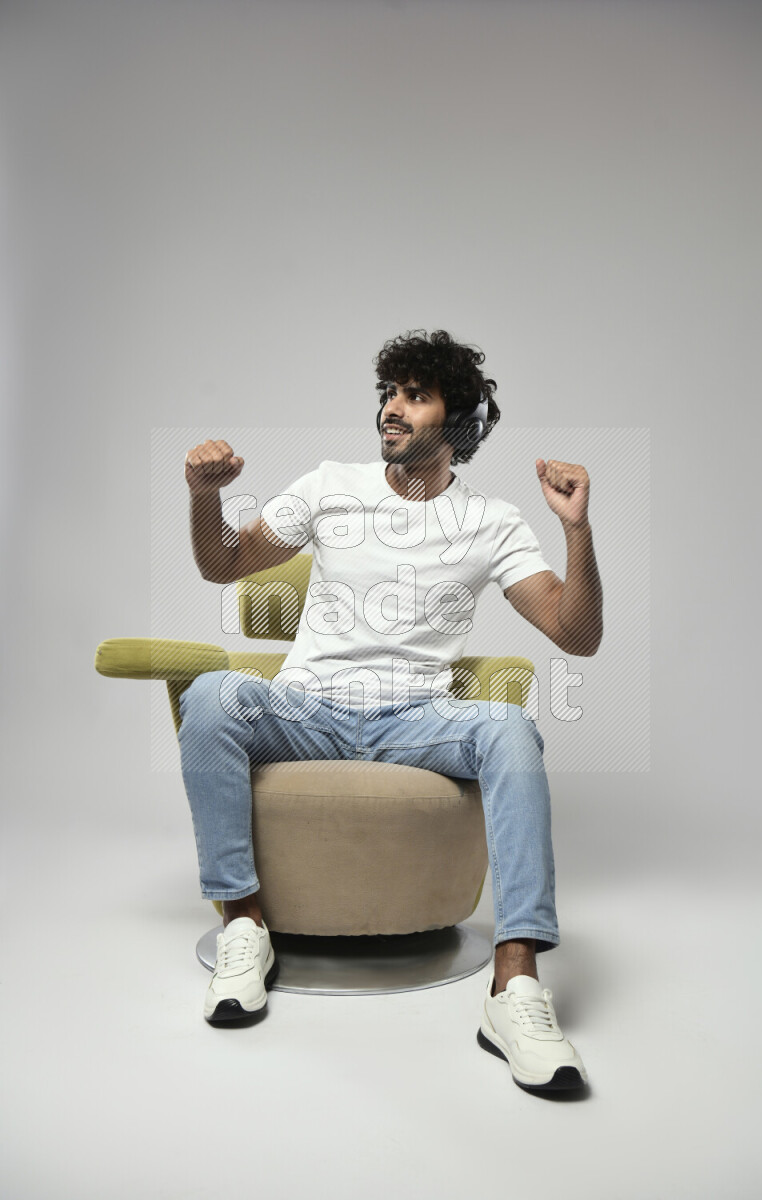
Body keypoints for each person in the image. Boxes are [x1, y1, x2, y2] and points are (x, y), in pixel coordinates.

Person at [179, 329, 603, 1094]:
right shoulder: (330, 485)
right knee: (212, 694)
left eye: (415, 395)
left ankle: (515, 986)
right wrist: (204, 497)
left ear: (460, 421)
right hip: (308, 709)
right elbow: (221, 564)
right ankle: (243, 924)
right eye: (389, 393)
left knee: (509, 727)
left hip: (417, 721)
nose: (392, 409)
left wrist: (576, 529)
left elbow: (578, 635)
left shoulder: (492, 521)